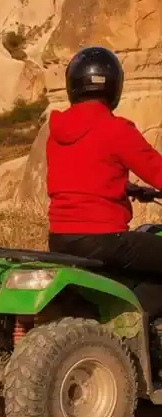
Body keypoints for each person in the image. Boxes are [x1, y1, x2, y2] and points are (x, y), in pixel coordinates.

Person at [47, 45, 162, 274]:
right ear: (114, 86)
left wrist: (128, 188)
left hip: (60, 240)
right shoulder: (116, 129)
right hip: (103, 240)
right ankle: (145, 310)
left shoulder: (57, 132)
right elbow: (157, 170)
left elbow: (81, 176)